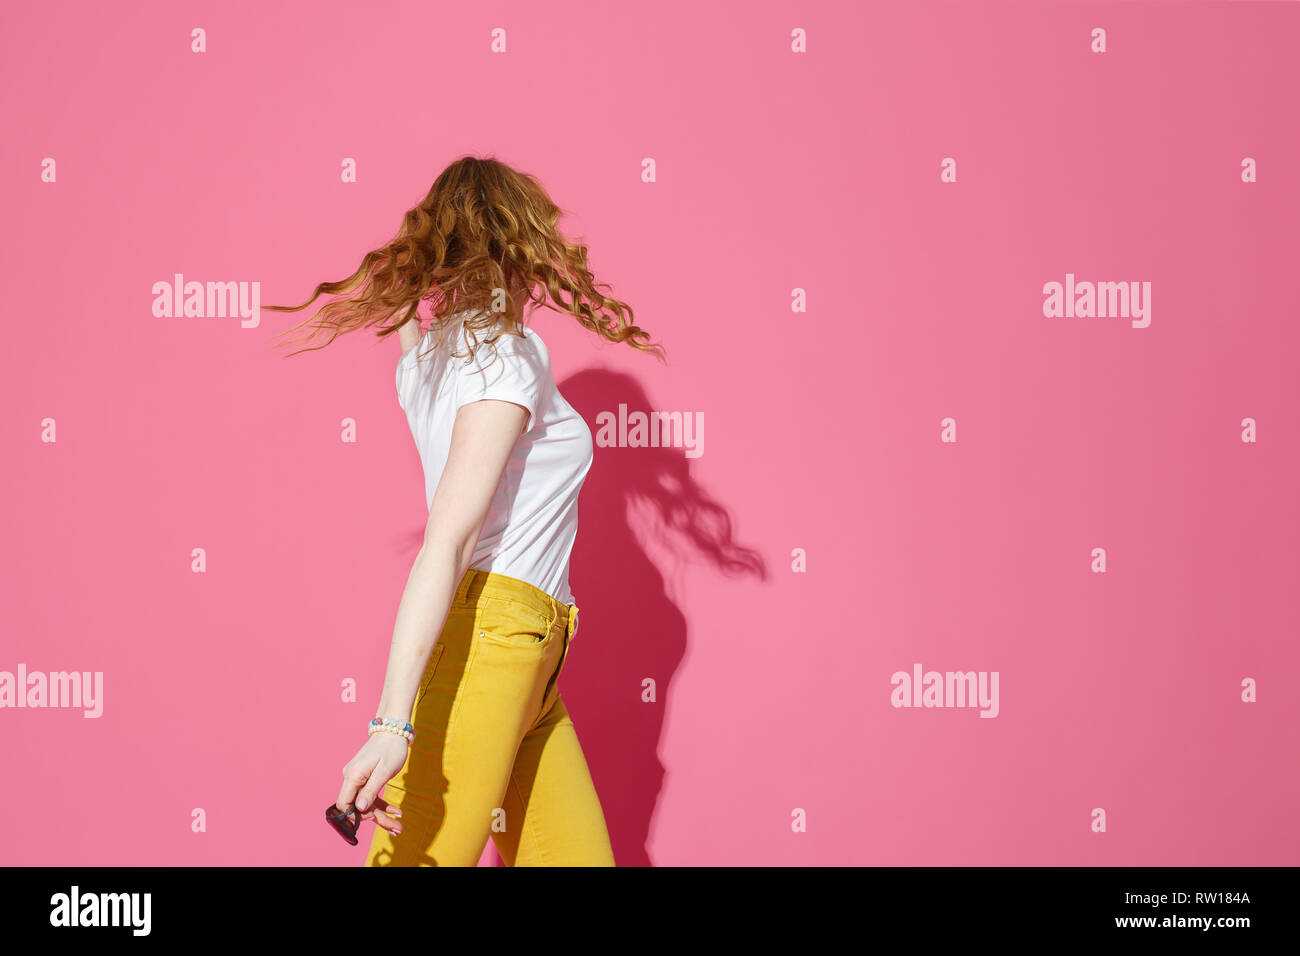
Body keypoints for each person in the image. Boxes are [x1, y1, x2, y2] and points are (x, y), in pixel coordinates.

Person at [266, 155, 665, 865]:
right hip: (493, 640)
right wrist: (392, 722)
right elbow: (447, 541)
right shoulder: (510, 356)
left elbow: (404, 326)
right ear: (521, 247)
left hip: (531, 659)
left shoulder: (422, 362)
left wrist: (412, 272)